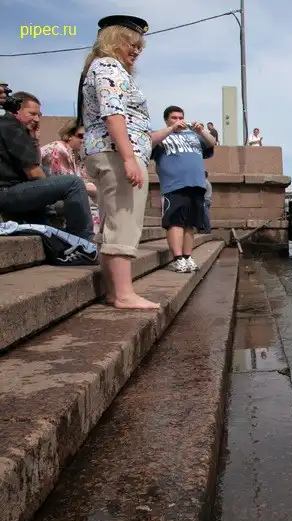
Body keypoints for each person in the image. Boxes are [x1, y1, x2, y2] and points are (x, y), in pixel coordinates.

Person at [80, 14, 158, 309]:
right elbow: (113, 113)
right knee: (124, 221)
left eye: (139, 46)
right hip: (117, 152)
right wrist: (129, 159)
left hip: (108, 151)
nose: (136, 50)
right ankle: (124, 294)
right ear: (113, 40)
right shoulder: (109, 67)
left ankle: (115, 293)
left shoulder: (99, 67)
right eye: (130, 43)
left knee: (112, 223)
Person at [0, 91, 94, 239]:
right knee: (74, 183)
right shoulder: (11, 126)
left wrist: (34, 139)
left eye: (39, 115)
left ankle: (51, 227)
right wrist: (51, 193)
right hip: (6, 193)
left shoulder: (13, 127)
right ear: (16, 109)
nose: (37, 119)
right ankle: (84, 240)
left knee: (47, 172)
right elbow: (34, 172)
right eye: (32, 114)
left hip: (10, 191)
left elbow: (36, 164)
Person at [151, 105, 215, 273]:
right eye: (174, 118)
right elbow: (148, 141)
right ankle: (178, 259)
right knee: (175, 222)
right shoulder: (161, 135)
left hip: (196, 184)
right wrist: (171, 129)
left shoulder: (194, 136)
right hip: (174, 185)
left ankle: (187, 257)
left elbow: (212, 143)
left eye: (181, 117)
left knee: (190, 225)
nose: (178, 121)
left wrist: (201, 131)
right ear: (166, 120)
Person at [40, 118, 101, 233]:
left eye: (88, 137)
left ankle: (91, 237)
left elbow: (84, 183)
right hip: (47, 197)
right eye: (81, 136)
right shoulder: (59, 150)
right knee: (89, 202)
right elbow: (67, 183)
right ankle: (89, 237)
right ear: (69, 136)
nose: (84, 140)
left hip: (62, 194)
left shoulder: (79, 157)